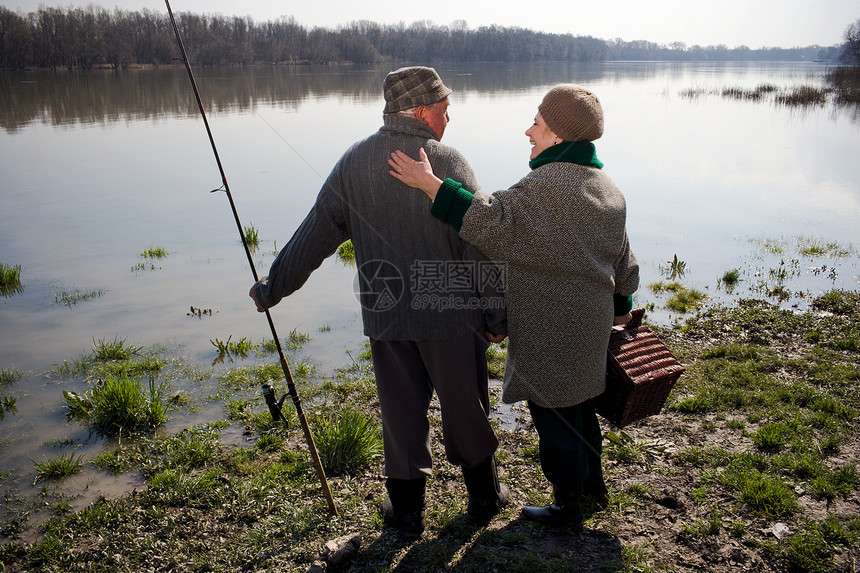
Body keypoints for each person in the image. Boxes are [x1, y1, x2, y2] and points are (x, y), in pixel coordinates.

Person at [249, 66, 509, 539]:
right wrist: (497, 314)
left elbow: (313, 236)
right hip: (453, 318)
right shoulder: (447, 160)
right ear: (422, 112)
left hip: (387, 316)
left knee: (400, 412)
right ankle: (485, 499)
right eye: (445, 110)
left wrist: (273, 287)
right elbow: (479, 243)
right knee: (465, 406)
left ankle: (407, 514)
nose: (449, 119)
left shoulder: (353, 163)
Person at [388, 83, 640, 528]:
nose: (529, 130)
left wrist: (431, 185)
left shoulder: (546, 185)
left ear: (560, 136)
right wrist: (621, 311)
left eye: (538, 124)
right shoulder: (608, 187)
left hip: (552, 327)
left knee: (555, 417)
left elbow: (491, 221)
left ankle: (567, 504)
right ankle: (593, 487)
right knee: (582, 407)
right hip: (592, 325)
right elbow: (623, 259)